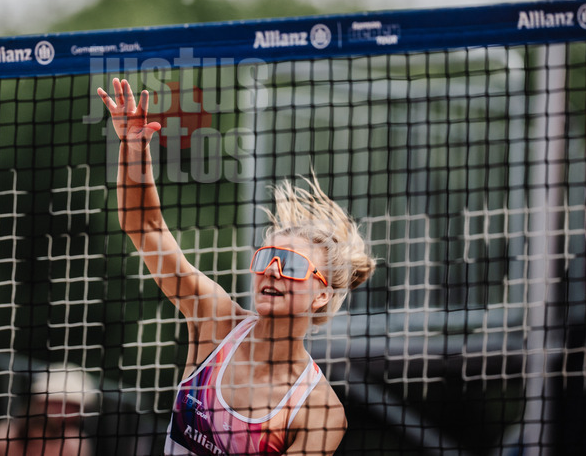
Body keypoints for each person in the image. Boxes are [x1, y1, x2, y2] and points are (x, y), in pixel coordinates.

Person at [97, 78, 376, 455]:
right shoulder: (215, 320)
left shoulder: (320, 411)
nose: (272, 270)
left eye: (291, 264)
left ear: (321, 295)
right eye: (265, 257)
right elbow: (144, 226)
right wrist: (133, 147)